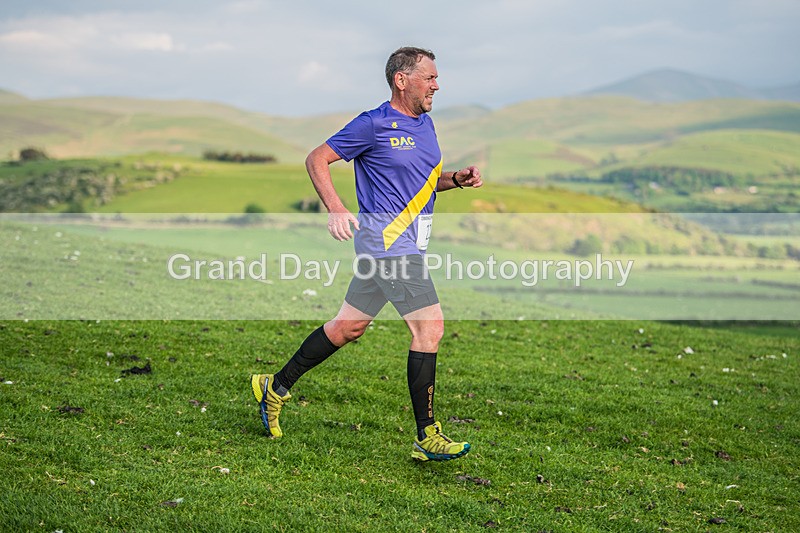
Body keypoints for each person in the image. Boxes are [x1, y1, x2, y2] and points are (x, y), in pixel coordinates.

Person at [251, 46, 482, 462]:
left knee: (346, 328)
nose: (436, 84)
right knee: (429, 330)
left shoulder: (426, 125)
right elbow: (317, 158)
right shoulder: (372, 124)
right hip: (388, 246)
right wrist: (337, 208)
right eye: (429, 77)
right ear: (402, 80)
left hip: (405, 245)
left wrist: (456, 180)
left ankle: (275, 386)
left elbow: (423, 182)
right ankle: (427, 435)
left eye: (436, 77)